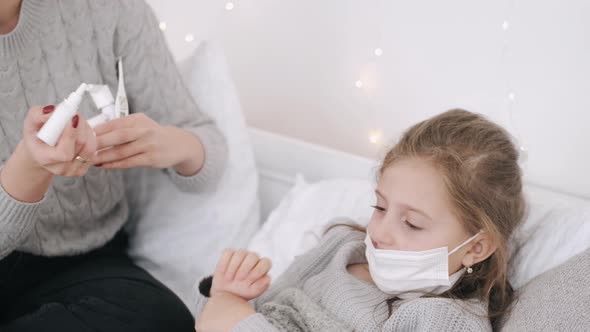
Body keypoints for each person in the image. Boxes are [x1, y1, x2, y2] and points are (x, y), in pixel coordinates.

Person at [0, 0, 228, 331]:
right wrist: (29, 169)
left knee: (162, 319)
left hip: (86, 263)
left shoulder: (111, 8)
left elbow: (208, 147)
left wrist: (169, 143)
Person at [195, 109, 525, 331]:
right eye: (380, 207)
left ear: (476, 247)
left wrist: (238, 322)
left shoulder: (445, 320)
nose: (380, 232)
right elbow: (257, 309)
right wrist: (229, 294)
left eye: (411, 224)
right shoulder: (342, 245)